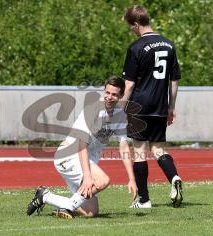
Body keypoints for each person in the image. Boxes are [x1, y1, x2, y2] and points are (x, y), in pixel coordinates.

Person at [26, 76, 138, 218]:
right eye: (107, 93)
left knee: (90, 212)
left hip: (85, 160)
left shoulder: (120, 115)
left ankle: (45, 196)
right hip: (69, 156)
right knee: (103, 180)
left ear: (121, 96)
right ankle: (67, 208)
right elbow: (81, 144)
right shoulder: (93, 110)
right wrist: (87, 176)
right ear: (104, 91)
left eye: (114, 94)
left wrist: (132, 179)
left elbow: (124, 147)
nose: (110, 97)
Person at [121, 5, 183, 208]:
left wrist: (122, 105)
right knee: (157, 149)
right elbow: (174, 80)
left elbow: (129, 84)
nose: (131, 30)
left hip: (139, 105)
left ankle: (144, 200)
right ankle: (173, 177)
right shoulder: (169, 45)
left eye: (131, 26)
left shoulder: (136, 47)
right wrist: (171, 107)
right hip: (160, 105)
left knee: (139, 151)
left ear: (136, 24)